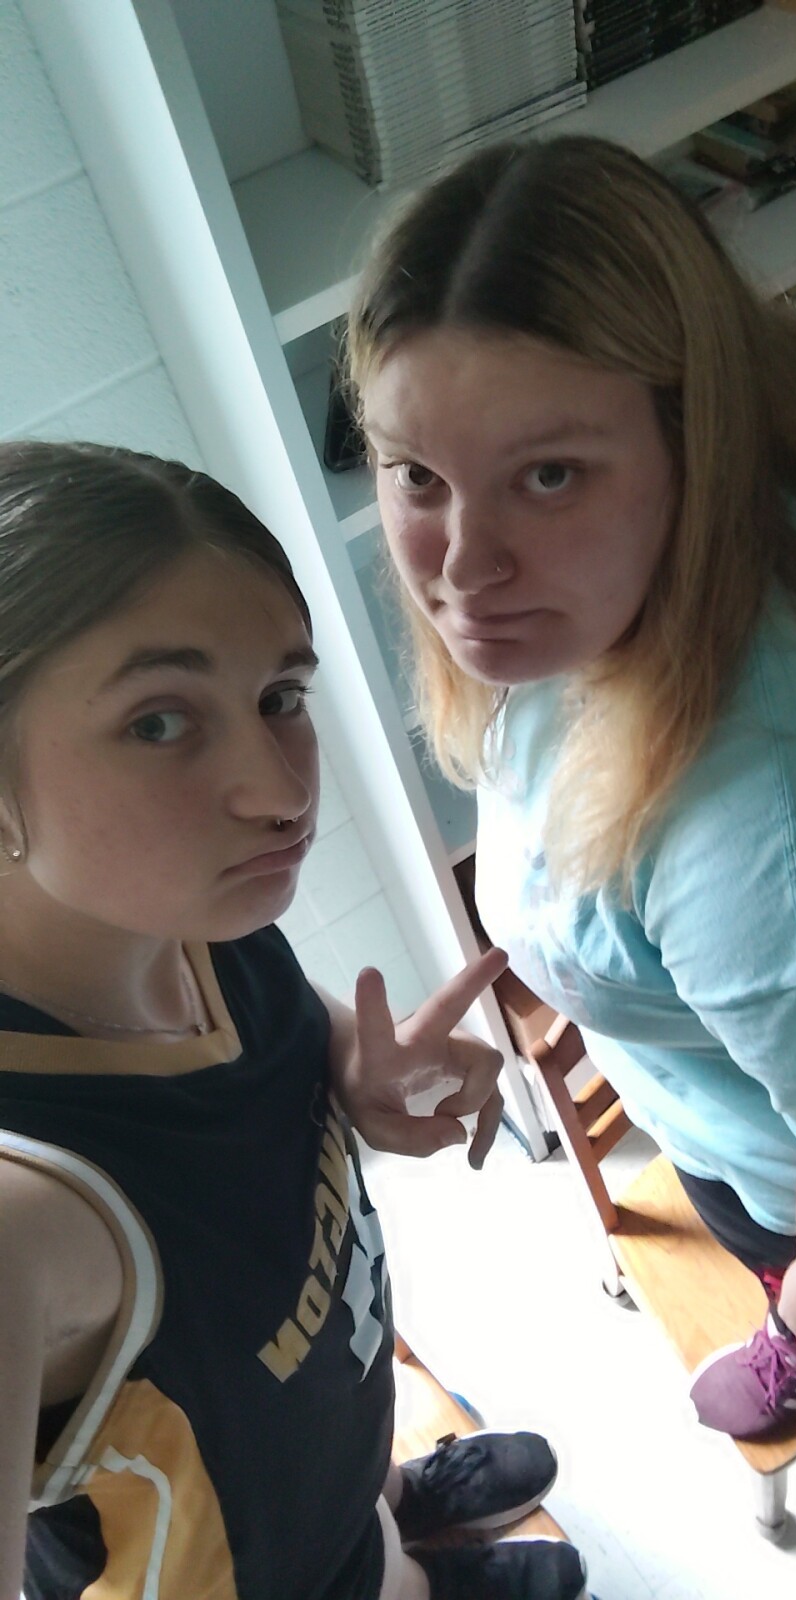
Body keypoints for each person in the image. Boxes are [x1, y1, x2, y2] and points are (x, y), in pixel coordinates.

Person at [346, 134, 796, 1441]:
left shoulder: (771, 856)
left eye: (549, 475)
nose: (461, 569)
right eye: (417, 474)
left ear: (697, 437)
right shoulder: (766, 481)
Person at [0, 441, 593, 1600]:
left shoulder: (182, 915)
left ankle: (390, 1501)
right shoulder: (25, 1206)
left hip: (317, 1445)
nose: (282, 793)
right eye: (159, 722)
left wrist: (354, 1067)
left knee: (346, 1477)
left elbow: (255, 1046)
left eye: (280, 696)